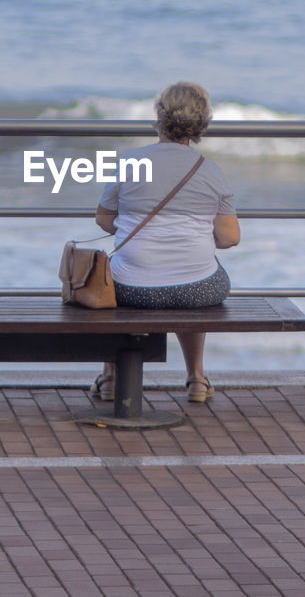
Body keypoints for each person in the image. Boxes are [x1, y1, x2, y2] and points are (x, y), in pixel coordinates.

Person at [92, 81, 240, 403]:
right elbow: (230, 238)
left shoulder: (131, 161)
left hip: (130, 288)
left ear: (160, 116)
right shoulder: (210, 170)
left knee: (110, 277)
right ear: (202, 123)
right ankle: (197, 379)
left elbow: (103, 220)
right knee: (197, 273)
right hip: (196, 289)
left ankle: (110, 378)